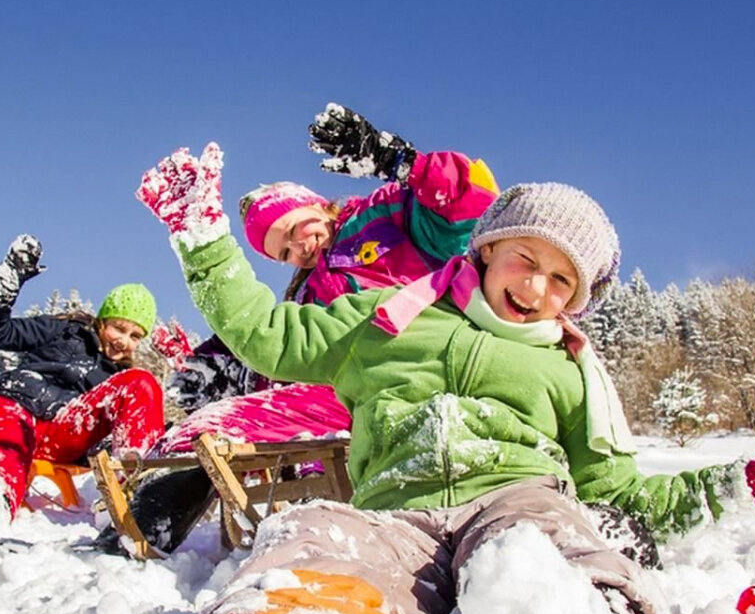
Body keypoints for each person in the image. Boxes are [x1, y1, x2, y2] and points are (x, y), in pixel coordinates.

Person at [58, 149, 755, 614]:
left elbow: (619, 489)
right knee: (318, 535)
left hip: (517, 493)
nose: (536, 288)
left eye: (562, 280)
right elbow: (267, 334)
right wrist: (204, 237)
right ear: (490, 250)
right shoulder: (390, 316)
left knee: (547, 542)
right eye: (526, 259)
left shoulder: (568, 366)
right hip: (399, 506)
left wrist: (744, 484)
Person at [145, 102, 499, 415]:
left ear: (315, 204)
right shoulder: (306, 296)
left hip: (435, 361)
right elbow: (279, 340)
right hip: (361, 398)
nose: (299, 249)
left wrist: (401, 163)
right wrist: (217, 362)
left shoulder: (383, 213)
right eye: (284, 253)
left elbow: (475, 209)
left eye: (293, 229)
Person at [0, 235, 165, 545]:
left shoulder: (120, 378)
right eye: (119, 327)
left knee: (143, 382)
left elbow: (118, 431)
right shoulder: (64, 330)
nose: (124, 341)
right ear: (101, 320)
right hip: (16, 405)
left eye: (135, 335)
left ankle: (127, 495)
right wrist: (9, 280)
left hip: (65, 429)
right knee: (5, 435)